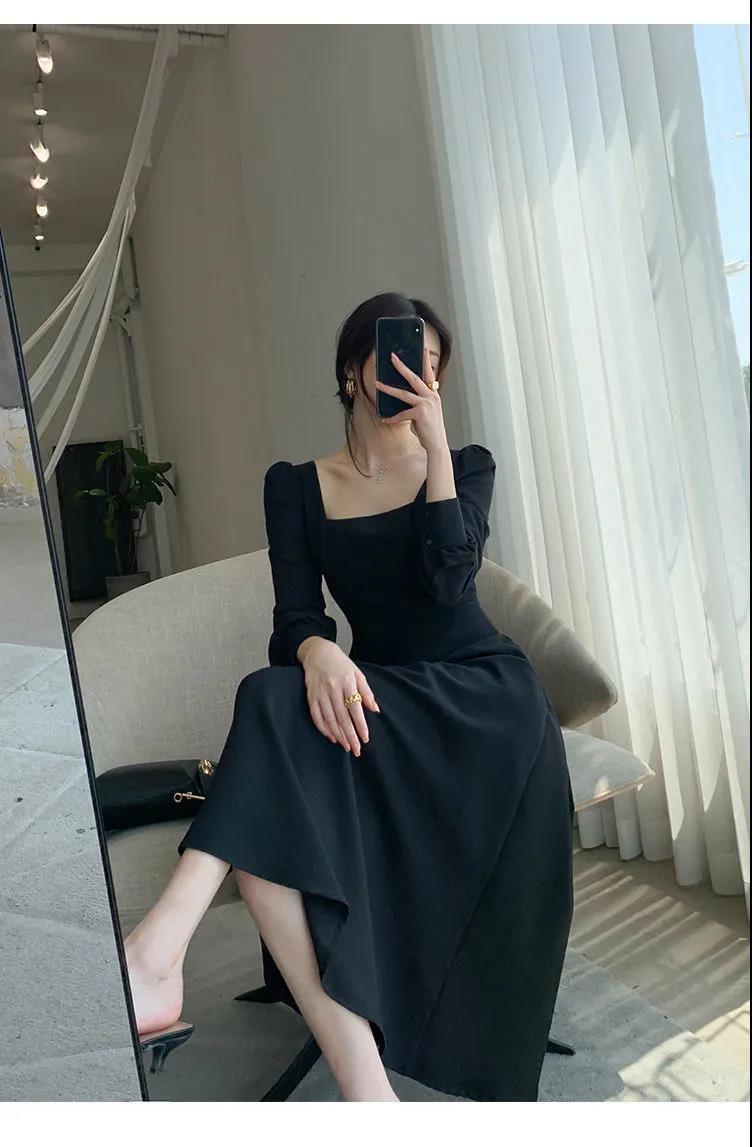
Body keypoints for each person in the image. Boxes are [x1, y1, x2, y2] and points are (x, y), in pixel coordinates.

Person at [123, 291, 575, 1102]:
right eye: (399, 357)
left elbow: (451, 582)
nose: (417, 375)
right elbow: (294, 617)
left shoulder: (467, 464)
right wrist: (318, 648)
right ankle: (368, 1092)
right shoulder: (297, 486)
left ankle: (157, 951)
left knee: (267, 712)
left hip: (485, 700)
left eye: (430, 364)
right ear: (351, 371)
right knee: (273, 705)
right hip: (381, 695)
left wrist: (435, 453)